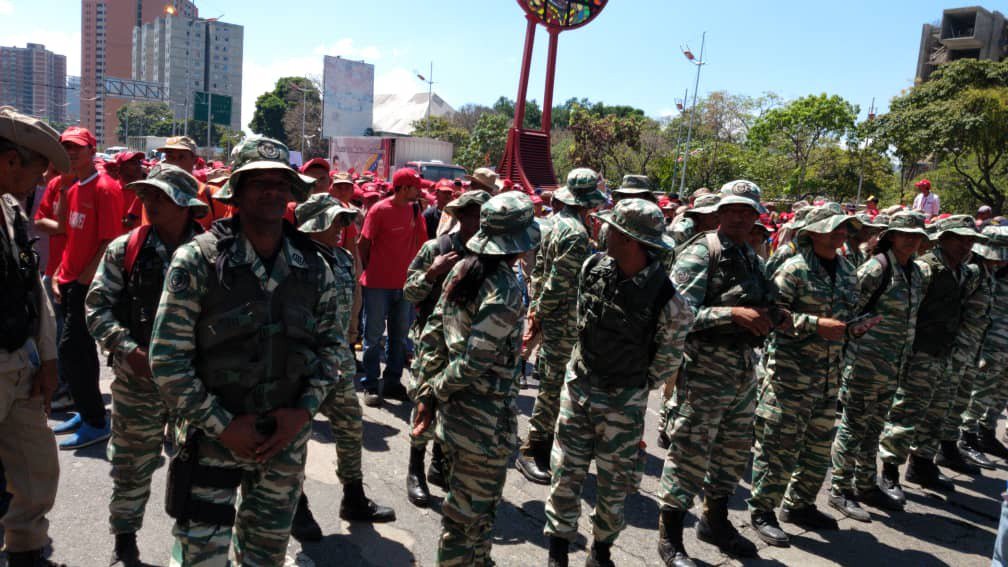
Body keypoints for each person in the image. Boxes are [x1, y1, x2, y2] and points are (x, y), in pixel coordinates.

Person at [148, 136, 342, 565]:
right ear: (235, 191)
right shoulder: (198, 261)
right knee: (200, 558)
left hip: (283, 441)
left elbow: (333, 349)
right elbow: (166, 360)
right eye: (259, 182)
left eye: (281, 182)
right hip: (211, 439)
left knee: (264, 558)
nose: (272, 191)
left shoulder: (314, 267)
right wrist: (222, 424)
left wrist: (303, 412)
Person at [544, 198, 693, 567]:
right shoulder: (594, 266)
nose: (603, 231)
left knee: (614, 486)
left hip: (623, 401)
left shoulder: (668, 300)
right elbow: (584, 320)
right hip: (579, 386)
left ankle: (601, 551)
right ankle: (558, 552)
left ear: (628, 238)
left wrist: (628, 386)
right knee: (565, 473)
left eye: (611, 228)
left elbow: (665, 363)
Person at [84, 164, 208, 566]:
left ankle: (189, 547)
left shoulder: (213, 252)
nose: (149, 202)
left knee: (198, 471)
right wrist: (127, 349)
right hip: (138, 381)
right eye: (147, 195)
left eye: (161, 196)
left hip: (195, 384)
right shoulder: (126, 248)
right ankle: (125, 541)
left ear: (186, 206)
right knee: (131, 466)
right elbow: (97, 307)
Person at [412, 191, 541, 566]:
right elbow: (473, 362)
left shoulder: (464, 268)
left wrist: (429, 391)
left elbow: (433, 331)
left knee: (472, 514)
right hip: (482, 425)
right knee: (465, 520)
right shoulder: (503, 289)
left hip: (455, 418)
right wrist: (433, 390)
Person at [657, 180, 773, 566]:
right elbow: (675, 314)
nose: (741, 217)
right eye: (733, 210)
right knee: (688, 453)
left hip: (742, 369)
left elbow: (764, 301)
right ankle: (670, 536)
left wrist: (777, 315)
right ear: (719, 213)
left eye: (748, 212)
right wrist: (732, 314)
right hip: (704, 370)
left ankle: (715, 521)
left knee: (733, 453)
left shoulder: (751, 257)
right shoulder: (700, 253)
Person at [747, 204, 871, 548]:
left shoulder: (847, 270)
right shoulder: (794, 269)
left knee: (817, 449)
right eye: (833, 228)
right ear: (812, 231)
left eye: (844, 229)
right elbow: (771, 315)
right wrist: (815, 324)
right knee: (778, 448)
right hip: (790, 376)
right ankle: (762, 510)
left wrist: (855, 328)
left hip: (829, 376)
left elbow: (847, 315)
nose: (841, 234)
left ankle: (799, 505)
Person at [289, 193, 395, 542]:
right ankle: (295, 504)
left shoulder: (344, 259)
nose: (341, 228)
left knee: (351, 429)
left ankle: (353, 497)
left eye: (342, 221)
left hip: (339, 361)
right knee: (296, 439)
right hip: (303, 366)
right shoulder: (292, 260)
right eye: (335, 221)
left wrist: (351, 338)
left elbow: (355, 303)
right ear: (315, 223)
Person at [0, 106, 67, 567]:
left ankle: (26, 549)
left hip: (18, 362)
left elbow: (31, 288)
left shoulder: (9, 209)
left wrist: (47, 357)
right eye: (37, 170)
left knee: (36, 468)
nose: (39, 182)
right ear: (10, 162)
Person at [829, 212, 928, 521]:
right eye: (904, 234)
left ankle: (865, 483)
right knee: (854, 425)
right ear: (891, 236)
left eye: (916, 235)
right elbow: (847, 312)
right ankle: (840, 488)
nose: (911, 240)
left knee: (874, 428)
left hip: (892, 365)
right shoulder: (876, 268)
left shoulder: (916, 272)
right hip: (864, 364)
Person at [878, 214, 983, 494]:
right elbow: (909, 309)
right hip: (921, 351)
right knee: (907, 413)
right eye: (960, 239)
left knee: (937, 411)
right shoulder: (926, 268)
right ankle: (889, 471)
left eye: (970, 240)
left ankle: (922, 463)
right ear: (943, 239)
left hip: (946, 352)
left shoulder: (963, 270)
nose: (966, 245)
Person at [518, 168, 607, 486]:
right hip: (561, 316)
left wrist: (535, 308)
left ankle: (545, 443)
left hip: (551, 311)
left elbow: (541, 270)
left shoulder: (555, 223)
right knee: (554, 386)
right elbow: (559, 280)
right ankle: (533, 449)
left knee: (553, 382)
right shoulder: (575, 232)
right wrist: (540, 315)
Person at [402, 190, 490, 507]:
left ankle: (440, 464)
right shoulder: (436, 249)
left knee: (454, 403)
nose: (479, 221)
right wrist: (432, 272)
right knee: (426, 402)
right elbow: (409, 292)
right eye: (473, 214)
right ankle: (415, 470)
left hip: (465, 343)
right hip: (432, 340)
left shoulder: (490, 256)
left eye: (484, 215)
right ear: (461, 216)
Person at [51, 126, 124, 449]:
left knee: (71, 350)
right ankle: (87, 410)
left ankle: (96, 421)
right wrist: (58, 274)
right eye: (66, 147)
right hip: (69, 281)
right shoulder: (75, 186)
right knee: (80, 353)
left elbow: (110, 241)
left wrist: (84, 280)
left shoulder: (105, 188)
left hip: (86, 284)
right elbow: (68, 234)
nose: (71, 153)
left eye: (77, 148)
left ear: (93, 150)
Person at [357, 167, 428, 406]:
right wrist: (372, 270)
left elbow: (421, 245)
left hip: (404, 286)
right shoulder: (379, 210)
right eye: (415, 186)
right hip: (377, 285)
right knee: (373, 336)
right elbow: (363, 244)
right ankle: (370, 384)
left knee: (398, 337)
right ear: (404, 188)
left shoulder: (415, 210)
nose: (419, 190)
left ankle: (392, 383)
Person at [960, 227, 1008, 460]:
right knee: (980, 389)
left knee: (1001, 391)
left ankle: (986, 431)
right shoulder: (975, 272)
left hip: (1003, 343)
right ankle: (967, 434)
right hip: (984, 342)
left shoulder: (996, 272)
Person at [157, 136, 227, 229]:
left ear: (194, 160)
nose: (175, 163)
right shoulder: (154, 194)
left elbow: (224, 236)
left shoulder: (215, 196)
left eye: (181, 157)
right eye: (170, 157)